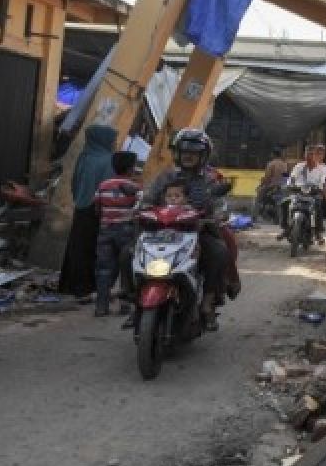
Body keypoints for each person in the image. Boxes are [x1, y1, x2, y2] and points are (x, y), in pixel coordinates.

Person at [144, 129, 230, 330]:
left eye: (194, 152)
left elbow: (220, 206)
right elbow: (148, 197)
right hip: (162, 233)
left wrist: (215, 217)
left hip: (197, 234)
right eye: (184, 151)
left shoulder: (211, 179)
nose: (188, 156)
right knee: (127, 252)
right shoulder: (166, 177)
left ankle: (207, 304)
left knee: (219, 252)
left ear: (203, 155)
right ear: (177, 153)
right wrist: (141, 208)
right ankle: (133, 298)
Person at [59, 124, 116, 302]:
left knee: (77, 247)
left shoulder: (84, 157)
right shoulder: (109, 160)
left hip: (81, 208)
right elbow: (111, 188)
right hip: (99, 210)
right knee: (94, 249)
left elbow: (74, 183)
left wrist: (79, 199)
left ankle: (70, 285)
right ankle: (88, 287)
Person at [93, 151, 140, 318]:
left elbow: (97, 208)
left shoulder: (103, 185)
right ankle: (125, 304)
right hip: (126, 231)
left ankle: (101, 306)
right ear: (131, 168)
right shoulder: (134, 188)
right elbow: (139, 210)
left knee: (104, 268)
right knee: (127, 266)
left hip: (105, 230)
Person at [280, 143, 326, 245]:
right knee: (284, 203)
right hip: (298, 192)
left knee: (318, 205)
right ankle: (285, 228)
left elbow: (324, 181)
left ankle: (318, 232)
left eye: (312, 154)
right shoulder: (299, 166)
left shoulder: (323, 168)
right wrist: (289, 184)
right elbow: (292, 178)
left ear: (315, 156)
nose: (310, 156)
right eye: (307, 154)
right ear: (305, 155)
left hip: (313, 193)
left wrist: (321, 187)